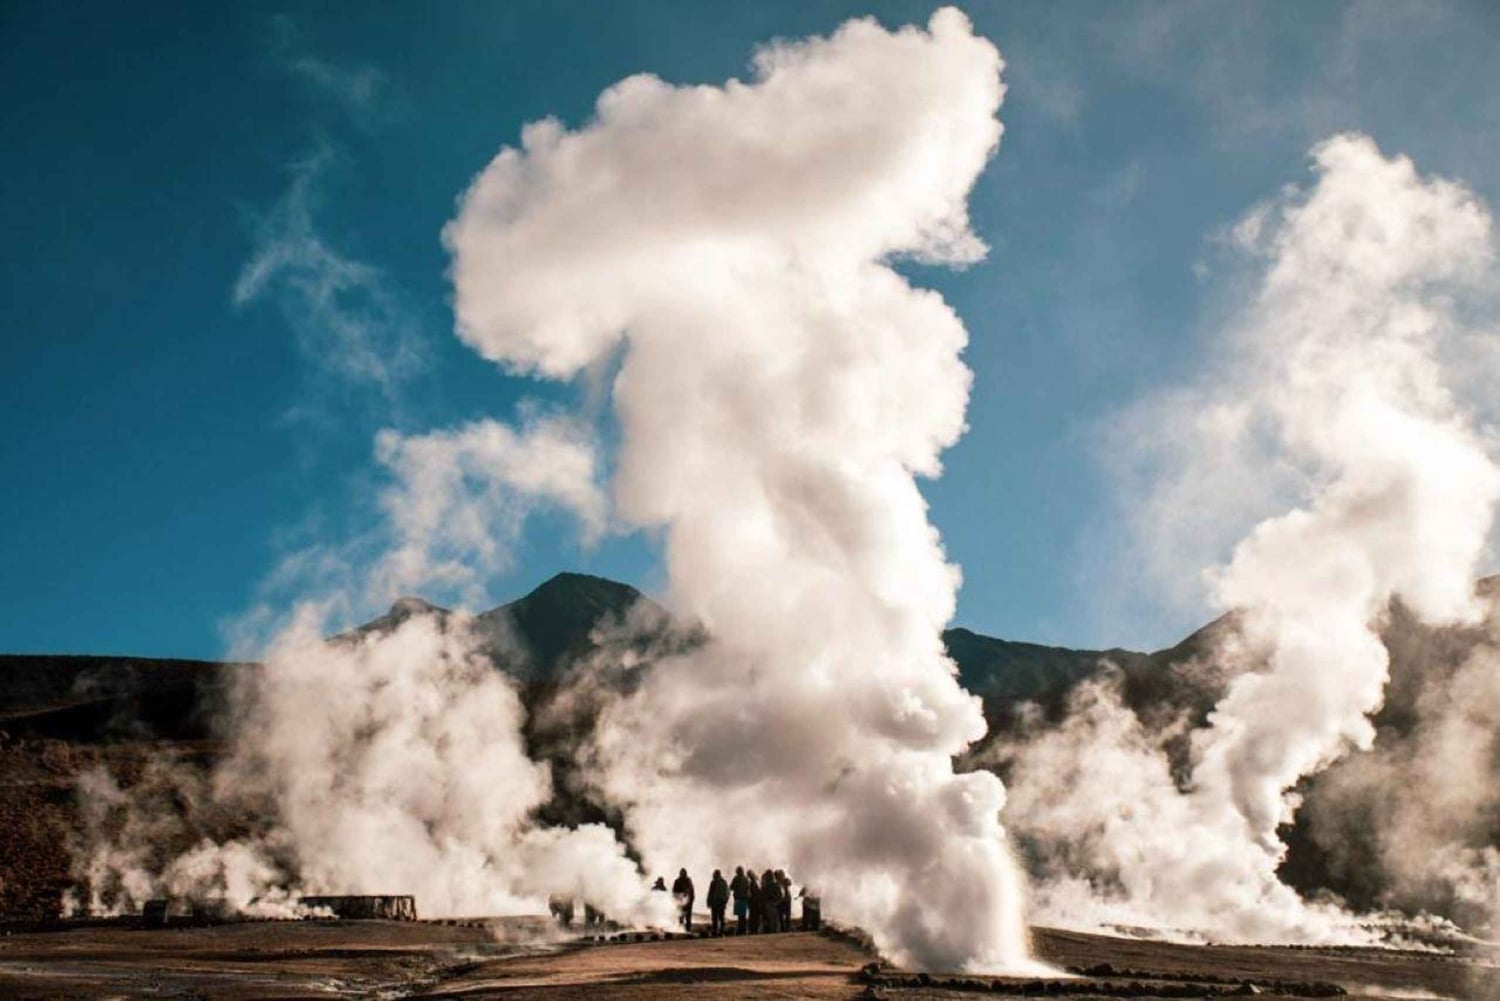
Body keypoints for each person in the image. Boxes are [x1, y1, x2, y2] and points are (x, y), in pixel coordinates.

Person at [671, 867, 695, 933]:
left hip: (687, 901)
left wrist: (691, 900)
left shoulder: (688, 880)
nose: (683, 874)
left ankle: (688, 929)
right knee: (681, 916)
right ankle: (681, 929)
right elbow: (674, 892)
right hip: (680, 901)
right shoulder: (678, 881)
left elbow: (691, 891)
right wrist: (676, 901)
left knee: (687, 917)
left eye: (683, 873)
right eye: (682, 873)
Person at [706, 869, 729, 936]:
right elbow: (727, 893)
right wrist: (725, 901)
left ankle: (717, 932)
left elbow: (710, 893)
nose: (713, 876)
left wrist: (709, 901)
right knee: (719, 918)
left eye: (714, 874)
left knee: (716, 918)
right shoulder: (723, 882)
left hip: (717, 903)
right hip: (719, 903)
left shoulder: (714, 882)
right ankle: (720, 932)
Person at [759, 868, 782, 933]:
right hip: (773, 904)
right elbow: (780, 895)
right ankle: (775, 931)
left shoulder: (766, 886)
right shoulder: (775, 885)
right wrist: (777, 902)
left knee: (771, 919)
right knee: (774, 919)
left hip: (768, 904)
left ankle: (772, 931)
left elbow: (763, 896)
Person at [729, 866, 750, 936]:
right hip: (744, 899)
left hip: (738, 898)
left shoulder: (736, 878)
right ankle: (743, 929)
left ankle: (740, 930)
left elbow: (731, 887)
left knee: (740, 916)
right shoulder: (746, 879)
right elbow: (748, 888)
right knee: (743, 915)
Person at [746, 869, 762, 935]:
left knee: (753, 917)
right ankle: (754, 930)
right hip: (755, 903)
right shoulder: (756, 882)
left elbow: (750, 894)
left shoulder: (752, 883)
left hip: (753, 903)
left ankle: (753, 930)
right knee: (755, 917)